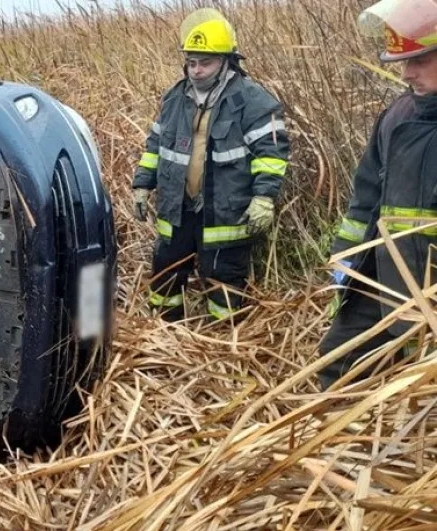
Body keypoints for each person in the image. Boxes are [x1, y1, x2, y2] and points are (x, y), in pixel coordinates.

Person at [132, 8, 290, 322]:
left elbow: (271, 153)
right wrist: (142, 183)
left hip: (224, 210)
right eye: (191, 62)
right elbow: (156, 145)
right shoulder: (175, 98)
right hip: (177, 206)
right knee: (166, 270)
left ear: (227, 62)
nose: (196, 70)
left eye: (205, 62)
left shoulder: (253, 101)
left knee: (223, 280)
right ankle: (168, 333)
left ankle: (225, 339)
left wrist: (264, 198)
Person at [318, 0, 437, 388]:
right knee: (337, 367)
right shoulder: (397, 116)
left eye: (419, 60)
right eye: (403, 62)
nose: (407, 73)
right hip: (387, 279)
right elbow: (366, 200)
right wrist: (348, 261)